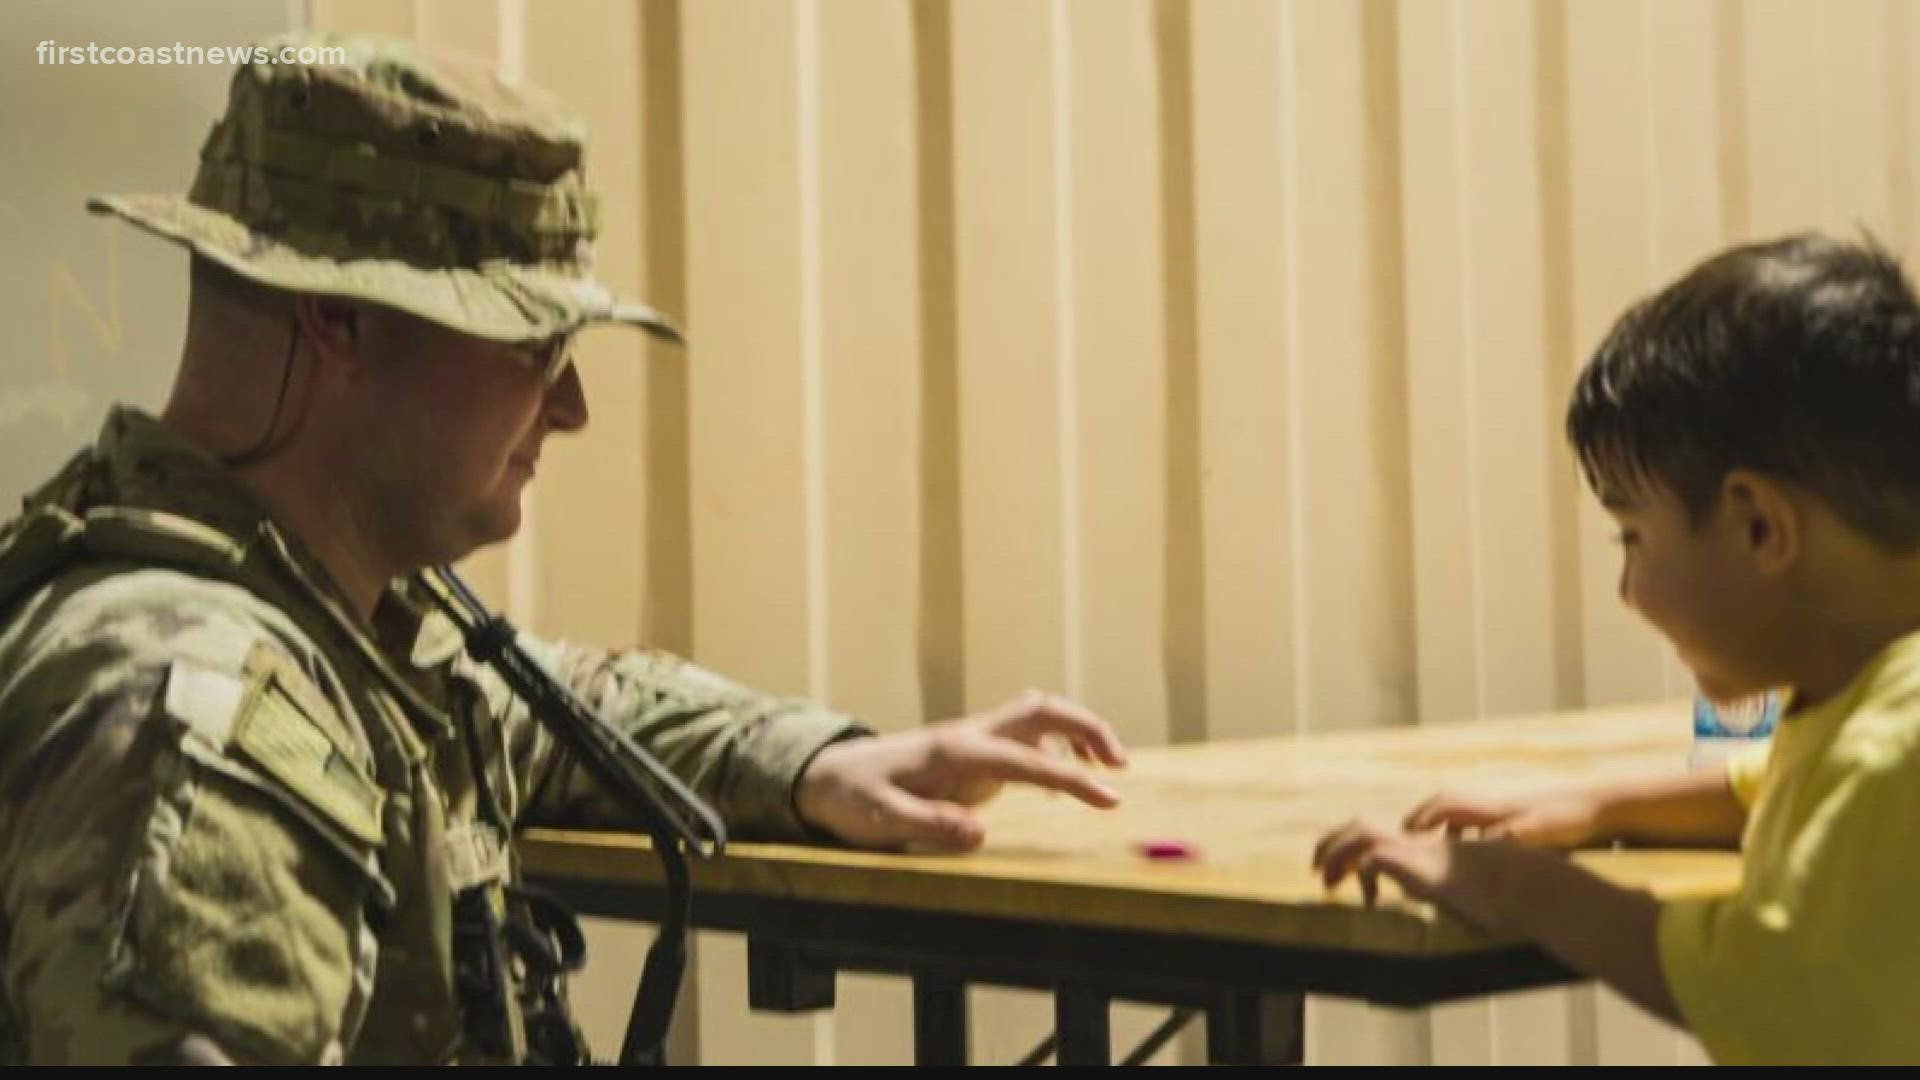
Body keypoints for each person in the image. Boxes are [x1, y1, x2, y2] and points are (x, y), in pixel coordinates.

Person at [0, 33, 1126, 1065]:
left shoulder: (310, 617)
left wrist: (816, 763)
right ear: (337, 319)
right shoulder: (195, 715)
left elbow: (540, 702)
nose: (573, 405)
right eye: (534, 342)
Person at [1313, 233, 1920, 1064]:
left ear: (1758, 527)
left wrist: (1508, 886)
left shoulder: (1895, 755)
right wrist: (1599, 806)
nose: (1627, 592)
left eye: (1632, 539)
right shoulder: (1877, 709)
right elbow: (1765, 789)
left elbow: (1765, 983)